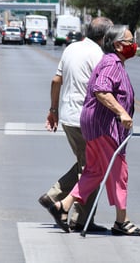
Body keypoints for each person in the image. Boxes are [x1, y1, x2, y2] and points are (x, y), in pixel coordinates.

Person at [49, 25, 140, 236]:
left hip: (94, 126)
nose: (134, 45)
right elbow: (101, 89)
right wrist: (121, 112)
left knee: (94, 171)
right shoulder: (112, 64)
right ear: (119, 45)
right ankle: (122, 221)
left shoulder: (111, 62)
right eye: (131, 41)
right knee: (120, 173)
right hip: (104, 128)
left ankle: (63, 206)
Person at [39, 17, 113, 232]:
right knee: (93, 169)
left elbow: (56, 81)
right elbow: (103, 91)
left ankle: (53, 196)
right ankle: (79, 220)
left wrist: (53, 110)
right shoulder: (99, 55)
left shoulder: (72, 48)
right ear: (105, 36)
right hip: (87, 119)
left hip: (68, 117)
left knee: (87, 163)